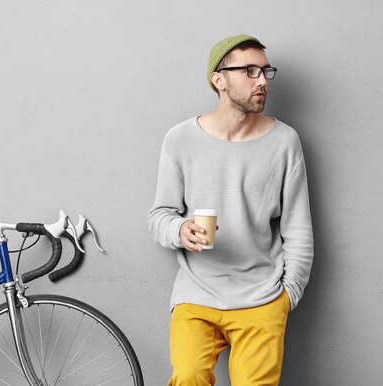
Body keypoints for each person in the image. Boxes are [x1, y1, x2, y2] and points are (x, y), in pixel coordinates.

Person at [148, 34, 314, 386]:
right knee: (188, 376)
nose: (261, 81)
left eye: (265, 71)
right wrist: (179, 231)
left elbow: (297, 228)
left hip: (262, 297)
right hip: (196, 295)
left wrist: (287, 296)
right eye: (250, 71)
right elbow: (159, 215)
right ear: (218, 79)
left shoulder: (285, 142)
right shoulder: (180, 139)